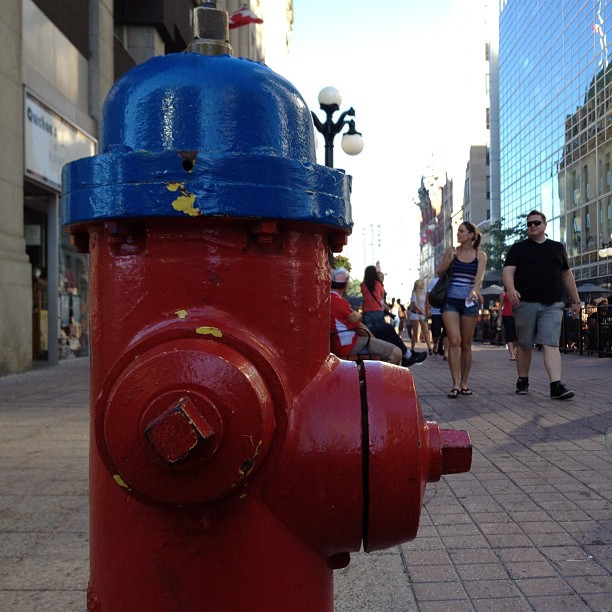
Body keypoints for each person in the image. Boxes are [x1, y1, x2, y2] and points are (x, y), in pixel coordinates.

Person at [502, 210, 580, 400]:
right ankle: (523, 379)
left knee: (550, 343)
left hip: (553, 303)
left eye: (536, 222)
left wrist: (576, 300)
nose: (533, 226)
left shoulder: (557, 248)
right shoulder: (518, 248)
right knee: (525, 344)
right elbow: (508, 272)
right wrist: (511, 290)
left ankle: (556, 385)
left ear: (544, 224)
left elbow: (566, 274)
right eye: (529, 224)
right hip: (525, 303)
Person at [330, 268, 427, 367]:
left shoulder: (363, 285)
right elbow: (360, 326)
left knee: (388, 338)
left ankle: (407, 355)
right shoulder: (339, 301)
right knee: (391, 342)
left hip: (366, 316)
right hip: (352, 340)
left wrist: (359, 315)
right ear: (346, 285)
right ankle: (407, 356)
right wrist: (374, 340)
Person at [438, 221, 487, 398]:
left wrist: (474, 291)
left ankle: (464, 383)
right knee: (454, 340)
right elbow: (440, 273)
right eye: (458, 231)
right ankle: (455, 384)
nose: (458, 234)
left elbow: (479, 279)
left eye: (461, 231)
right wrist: (449, 259)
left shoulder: (480, 255)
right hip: (450, 301)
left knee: (466, 344)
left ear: (471, 235)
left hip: (469, 302)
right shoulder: (452, 251)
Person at [409, 280, 433, 354]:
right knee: (415, 332)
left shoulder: (424, 292)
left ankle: (430, 348)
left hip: (423, 315)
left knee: (426, 330)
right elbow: (415, 305)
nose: (424, 285)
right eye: (422, 284)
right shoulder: (414, 293)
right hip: (414, 314)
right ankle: (412, 348)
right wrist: (422, 311)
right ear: (418, 285)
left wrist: (427, 310)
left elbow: (427, 302)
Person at [360, 265, 386, 329]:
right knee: (380, 332)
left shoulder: (363, 285)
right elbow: (381, 298)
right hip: (378, 312)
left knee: (369, 332)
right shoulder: (379, 284)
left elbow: (364, 296)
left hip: (367, 312)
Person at [426, 276, 444, 357]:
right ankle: (435, 343)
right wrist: (427, 309)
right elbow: (428, 295)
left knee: (447, 331)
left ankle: (446, 352)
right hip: (432, 313)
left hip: (446, 310)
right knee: (434, 330)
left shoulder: (450, 281)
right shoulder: (434, 281)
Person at [498, 288, 517, 360]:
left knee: (517, 334)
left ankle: (515, 351)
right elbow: (500, 306)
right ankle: (512, 354)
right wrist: (500, 318)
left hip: (516, 315)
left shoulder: (517, 291)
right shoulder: (503, 293)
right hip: (506, 315)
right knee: (509, 334)